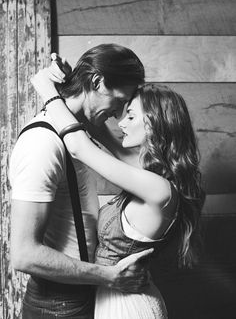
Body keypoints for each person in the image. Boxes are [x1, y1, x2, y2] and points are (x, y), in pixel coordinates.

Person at [30, 56, 205, 319]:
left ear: (155, 123)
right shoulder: (144, 169)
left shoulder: (158, 188)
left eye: (131, 115)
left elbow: (79, 146)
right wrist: (76, 85)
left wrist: (47, 90)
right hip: (116, 300)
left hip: (131, 308)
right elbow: (95, 131)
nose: (120, 122)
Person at [9, 44, 153, 319]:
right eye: (120, 100)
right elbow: (24, 254)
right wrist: (109, 276)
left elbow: (132, 164)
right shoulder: (42, 143)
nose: (118, 113)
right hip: (58, 305)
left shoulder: (80, 135)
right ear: (98, 82)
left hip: (86, 292)